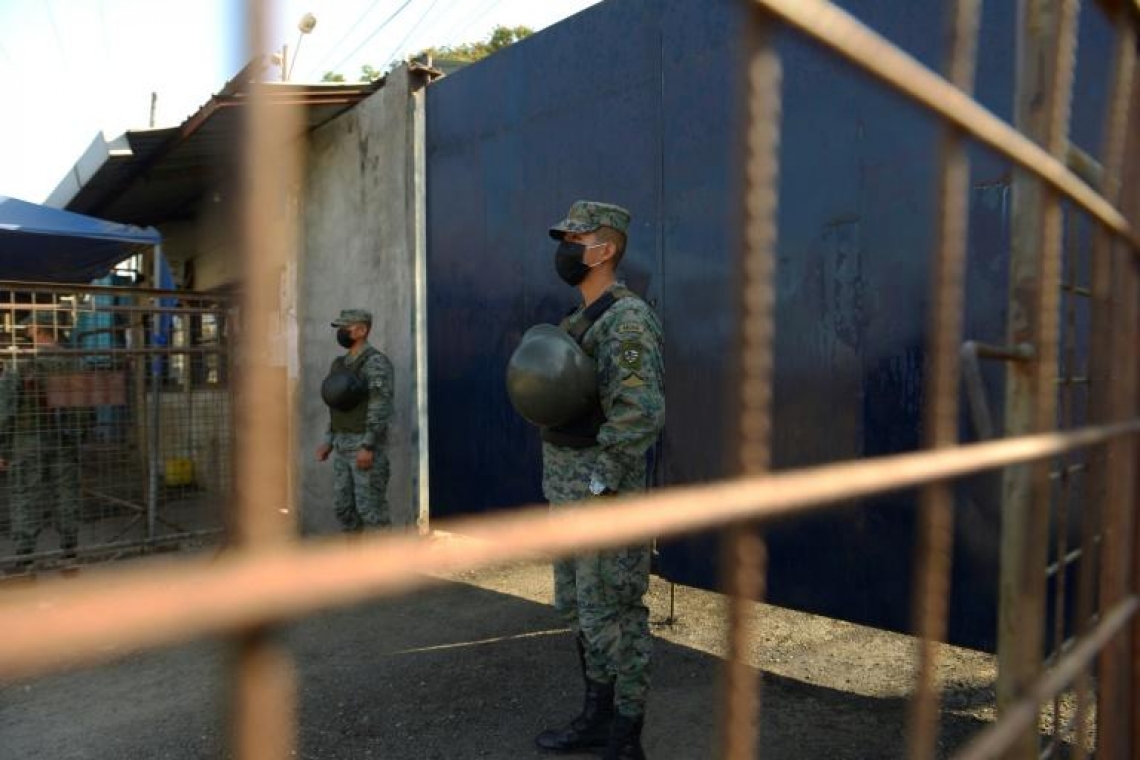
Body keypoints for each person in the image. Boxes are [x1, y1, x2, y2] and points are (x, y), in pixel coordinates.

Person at [534, 200, 665, 759]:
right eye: (564, 238)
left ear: (604, 249)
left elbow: (639, 412)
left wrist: (600, 485)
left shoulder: (627, 321)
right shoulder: (578, 322)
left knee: (616, 613)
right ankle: (596, 716)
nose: (565, 248)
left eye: (575, 237)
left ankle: (625, 737)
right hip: (567, 494)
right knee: (580, 609)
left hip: (604, 498)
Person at [0, 312, 85, 574]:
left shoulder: (23, 362)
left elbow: (6, 409)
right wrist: (79, 435)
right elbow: (84, 407)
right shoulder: (74, 362)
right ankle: (69, 552)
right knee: (66, 492)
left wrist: (2, 447)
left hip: (27, 439)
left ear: (38, 329)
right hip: (64, 437)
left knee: (25, 494)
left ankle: (25, 557)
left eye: (30, 326)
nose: (27, 330)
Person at [315, 309, 394, 533]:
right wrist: (328, 441)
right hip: (341, 445)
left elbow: (380, 406)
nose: (340, 333)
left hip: (364, 444)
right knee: (344, 508)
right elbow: (335, 406)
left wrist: (368, 445)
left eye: (344, 328)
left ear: (361, 330)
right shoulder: (339, 364)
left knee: (371, 511)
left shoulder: (376, 363)